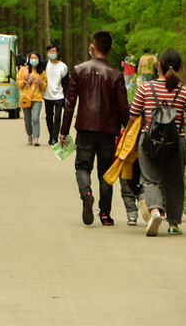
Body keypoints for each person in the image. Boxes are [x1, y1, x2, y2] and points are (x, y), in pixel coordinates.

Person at [59, 30, 129, 226]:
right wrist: (129, 130)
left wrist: (63, 131)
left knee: (82, 166)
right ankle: (105, 215)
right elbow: (123, 106)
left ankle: (86, 193)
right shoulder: (116, 74)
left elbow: (69, 103)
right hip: (109, 130)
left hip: (85, 127)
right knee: (106, 172)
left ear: (92, 46)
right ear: (111, 48)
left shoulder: (79, 70)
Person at [128, 49, 186, 237]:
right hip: (176, 142)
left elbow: (133, 115)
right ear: (180, 67)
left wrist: (153, 119)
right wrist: (174, 120)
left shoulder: (145, 88)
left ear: (158, 66)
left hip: (149, 141)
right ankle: (174, 224)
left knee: (151, 179)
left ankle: (155, 212)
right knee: (175, 181)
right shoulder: (185, 91)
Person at [16, 51, 47, 146]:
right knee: (27, 119)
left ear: (39, 59)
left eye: (36, 58)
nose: (34, 60)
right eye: (32, 58)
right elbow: (18, 83)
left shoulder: (41, 72)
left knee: (35, 118)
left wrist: (40, 82)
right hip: (25, 98)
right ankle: (30, 135)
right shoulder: (23, 71)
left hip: (37, 98)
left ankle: (36, 138)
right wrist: (25, 82)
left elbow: (44, 86)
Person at [42, 44, 68, 146]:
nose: (51, 53)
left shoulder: (63, 66)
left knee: (57, 117)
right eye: (50, 51)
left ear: (58, 53)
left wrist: (66, 99)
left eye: (53, 51)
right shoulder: (44, 64)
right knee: (49, 116)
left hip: (59, 95)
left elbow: (66, 83)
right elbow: (33, 68)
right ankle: (51, 136)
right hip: (47, 95)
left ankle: (55, 138)